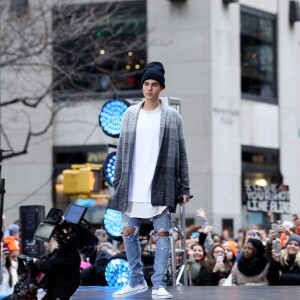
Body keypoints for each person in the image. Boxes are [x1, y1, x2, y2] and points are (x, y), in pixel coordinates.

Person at [108, 61, 191, 298]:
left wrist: (184, 186)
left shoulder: (172, 116)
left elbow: (182, 153)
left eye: (154, 84)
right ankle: (136, 280)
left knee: (163, 234)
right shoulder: (130, 114)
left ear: (161, 88)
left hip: (161, 184)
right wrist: (117, 183)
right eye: (146, 84)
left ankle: (159, 284)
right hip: (132, 184)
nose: (150, 88)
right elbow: (121, 150)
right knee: (127, 232)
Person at [30, 234, 81, 299]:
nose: (44, 245)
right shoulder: (57, 255)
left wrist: (35, 261)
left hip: (65, 295)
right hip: (57, 293)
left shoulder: (67, 255)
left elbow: (47, 265)